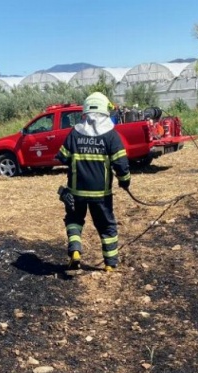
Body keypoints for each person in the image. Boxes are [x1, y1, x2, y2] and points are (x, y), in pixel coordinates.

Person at [56, 92, 131, 272]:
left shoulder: (74, 133)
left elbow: (62, 157)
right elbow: (121, 164)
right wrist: (125, 181)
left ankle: (75, 252)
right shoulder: (111, 136)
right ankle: (110, 264)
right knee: (106, 226)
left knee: (74, 220)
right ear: (105, 110)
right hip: (101, 194)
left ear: (86, 110)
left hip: (76, 192)